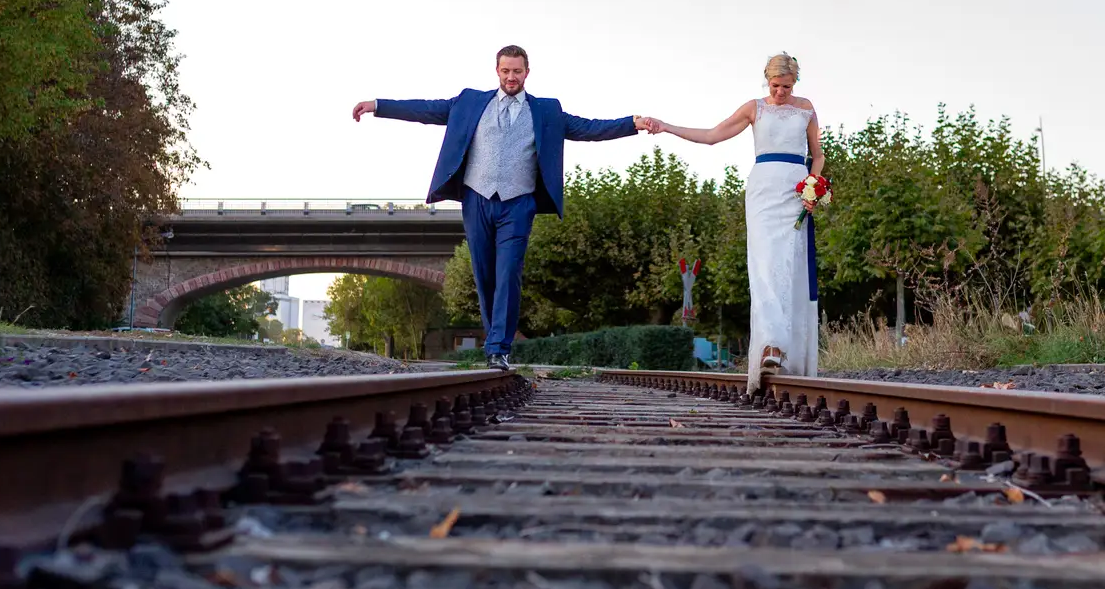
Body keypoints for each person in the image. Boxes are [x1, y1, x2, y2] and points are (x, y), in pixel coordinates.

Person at [352, 45, 651, 370]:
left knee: (509, 272)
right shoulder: (469, 102)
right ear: (497, 71)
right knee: (485, 275)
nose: (511, 77)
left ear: (527, 72)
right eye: (506, 71)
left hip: (519, 203)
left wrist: (630, 124)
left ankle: (498, 348)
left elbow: (589, 128)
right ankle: (495, 340)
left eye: (517, 71)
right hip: (476, 198)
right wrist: (378, 106)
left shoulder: (547, 111)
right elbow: (425, 109)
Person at [646, 53, 822, 392]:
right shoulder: (754, 108)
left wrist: (814, 185)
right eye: (775, 86)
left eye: (787, 86)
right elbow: (713, 135)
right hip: (763, 191)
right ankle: (771, 347)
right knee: (765, 264)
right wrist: (667, 126)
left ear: (795, 82)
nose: (781, 92)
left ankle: (791, 353)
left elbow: (818, 153)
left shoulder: (806, 107)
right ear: (766, 81)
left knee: (791, 268)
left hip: (795, 190)